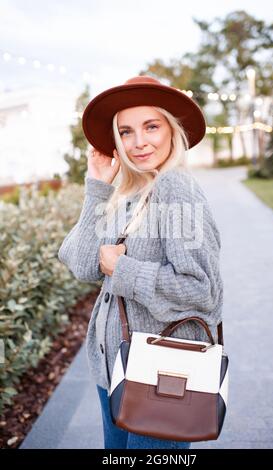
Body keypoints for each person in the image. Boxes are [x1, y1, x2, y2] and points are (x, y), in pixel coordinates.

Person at [58, 75, 223, 449]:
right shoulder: (126, 194)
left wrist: (124, 269)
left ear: (171, 130)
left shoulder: (174, 188)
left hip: (161, 376)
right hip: (112, 369)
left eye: (151, 126)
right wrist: (97, 185)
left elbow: (202, 290)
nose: (139, 142)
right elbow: (82, 264)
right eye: (126, 131)